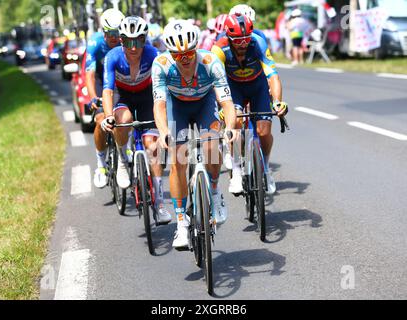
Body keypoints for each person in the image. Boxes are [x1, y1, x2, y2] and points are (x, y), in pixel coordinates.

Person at [152, 19, 239, 249]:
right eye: (179, 55)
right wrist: (163, 132)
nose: (185, 59)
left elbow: (227, 103)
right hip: (176, 106)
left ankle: (214, 189)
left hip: (204, 103)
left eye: (189, 53)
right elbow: (159, 106)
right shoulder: (160, 65)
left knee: (212, 146)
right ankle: (181, 222)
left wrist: (230, 128)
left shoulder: (210, 62)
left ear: (196, 49)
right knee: (178, 158)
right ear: (171, 53)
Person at [100, 16, 172, 224]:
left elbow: (164, 87)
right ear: (121, 41)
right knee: (123, 120)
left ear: (145, 40)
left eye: (138, 41)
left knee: (153, 146)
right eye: (129, 42)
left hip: (147, 97)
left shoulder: (153, 54)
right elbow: (107, 90)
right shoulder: (112, 57)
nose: (134, 48)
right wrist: (108, 116)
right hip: (124, 98)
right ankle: (123, 159)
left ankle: (158, 202)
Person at [211, 14, 288, 196]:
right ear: (229, 37)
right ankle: (236, 170)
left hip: (257, 86)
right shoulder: (219, 48)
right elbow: (215, 82)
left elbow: (273, 75)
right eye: (238, 40)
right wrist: (222, 107)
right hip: (233, 88)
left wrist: (277, 102)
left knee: (264, 130)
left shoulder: (258, 42)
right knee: (236, 122)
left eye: (246, 38)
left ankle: (266, 169)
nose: (243, 43)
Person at [85, 8, 125, 188]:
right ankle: (100, 164)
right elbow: (90, 74)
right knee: (101, 119)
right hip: (102, 79)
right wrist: (93, 97)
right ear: (103, 32)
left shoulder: (127, 40)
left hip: (121, 77)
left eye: (118, 33)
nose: (115, 37)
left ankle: (126, 147)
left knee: (126, 115)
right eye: (110, 33)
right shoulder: (94, 43)